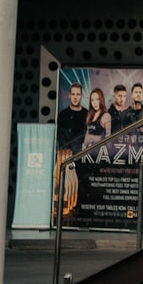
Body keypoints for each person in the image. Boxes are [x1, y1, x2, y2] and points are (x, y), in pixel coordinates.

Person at [54, 82, 86, 218]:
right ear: (69, 95)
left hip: (81, 155)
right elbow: (59, 137)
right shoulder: (62, 115)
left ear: (81, 96)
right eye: (73, 94)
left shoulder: (86, 114)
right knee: (63, 185)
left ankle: (77, 211)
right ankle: (63, 211)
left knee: (80, 184)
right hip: (65, 155)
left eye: (78, 94)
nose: (75, 97)